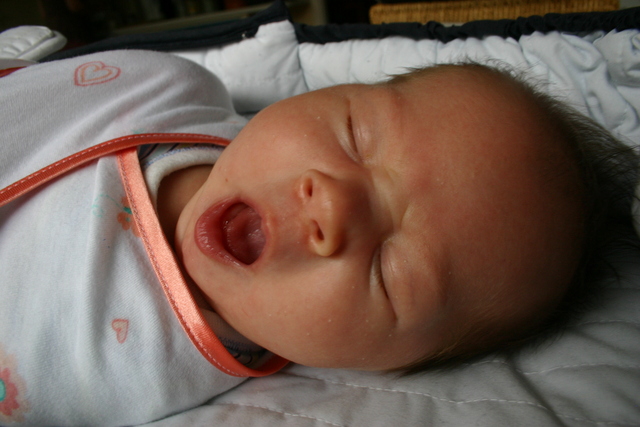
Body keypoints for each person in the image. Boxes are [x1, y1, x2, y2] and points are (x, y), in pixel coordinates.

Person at [0, 50, 635, 424]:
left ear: (388, 367)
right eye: (355, 133)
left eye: (392, 273)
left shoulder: (134, 379)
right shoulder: (168, 89)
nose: (332, 203)